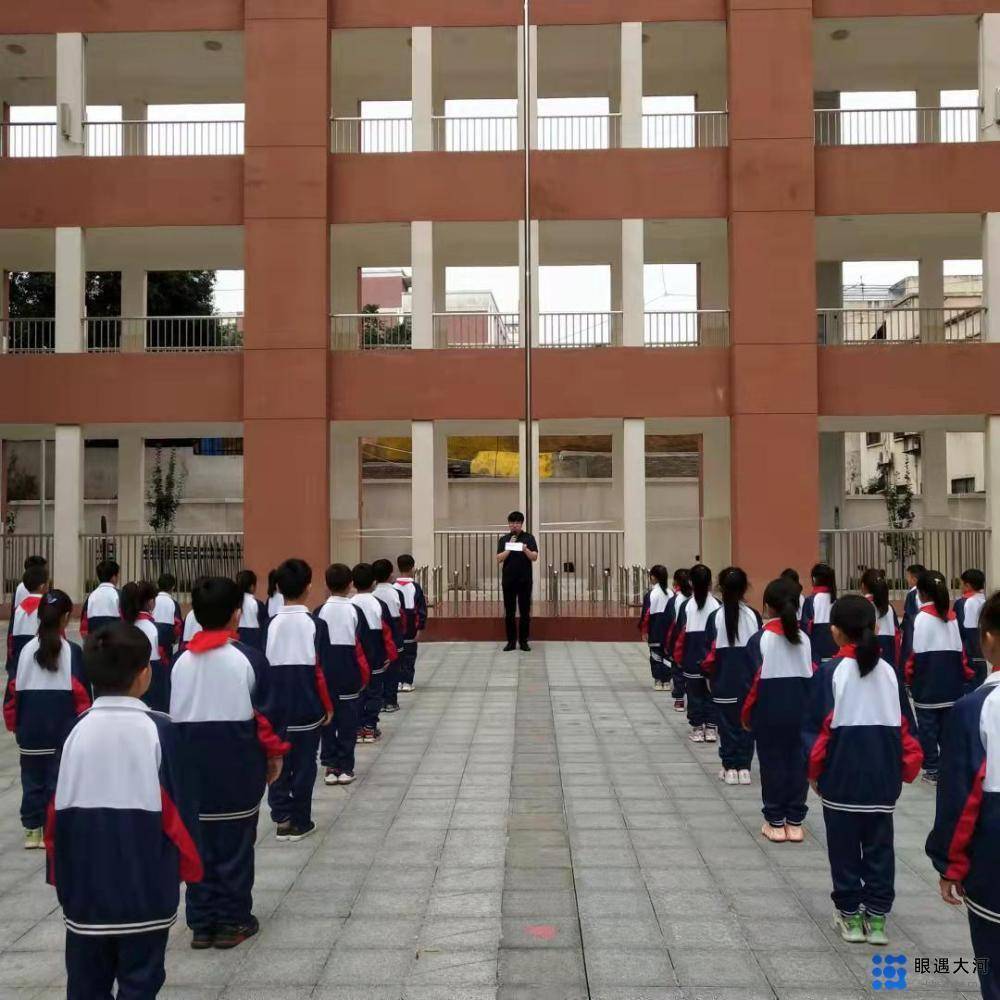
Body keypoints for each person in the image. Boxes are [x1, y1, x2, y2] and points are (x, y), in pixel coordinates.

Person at [46, 621, 202, 999]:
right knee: (141, 979)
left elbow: (53, 816)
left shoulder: (72, 732)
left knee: (84, 983)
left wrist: (61, 878)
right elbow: (183, 812)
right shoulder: (160, 730)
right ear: (144, 673)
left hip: (84, 892)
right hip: (145, 887)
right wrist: (188, 870)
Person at [170, 577, 288, 950]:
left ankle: (202, 922)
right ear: (237, 613)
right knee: (236, 844)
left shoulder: (179, 663)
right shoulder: (249, 659)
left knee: (197, 842)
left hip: (190, 770)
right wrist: (274, 756)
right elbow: (266, 718)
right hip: (237, 765)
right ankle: (233, 920)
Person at [807, 594, 922, 945]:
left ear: (836, 632)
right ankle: (877, 918)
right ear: (874, 628)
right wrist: (905, 768)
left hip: (841, 777)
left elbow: (817, 731)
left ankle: (849, 916)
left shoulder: (830, 672)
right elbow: (905, 727)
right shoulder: (888, 672)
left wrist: (814, 773)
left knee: (843, 850)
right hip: (882, 779)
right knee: (879, 848)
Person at [927, 590, 1000, 1000]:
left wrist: (949, 862)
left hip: (993, 859)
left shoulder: (977, 707)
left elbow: (961, 794)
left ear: (986, 639)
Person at [4, 590, 88, 850]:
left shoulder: (25, 652)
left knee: (32, 781)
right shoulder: (72, 652)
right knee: (59, 782)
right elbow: (82, 695)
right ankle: (55, 828)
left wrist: (14, 724)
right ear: (65, 618)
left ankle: (32, 831)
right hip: (61, 731)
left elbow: (11, 694)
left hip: (30, 731)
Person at [741, 578, 813, 843]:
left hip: (769, 712)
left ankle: (775, 820)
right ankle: (795, 821)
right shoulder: (805, 639)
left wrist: (747, 717)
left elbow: (751, 684)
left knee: (772, 765)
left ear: (767, 607)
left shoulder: (760, 640)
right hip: (802, 712)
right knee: (798, 764)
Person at [265, 559, 332, 841]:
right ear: (308, 587)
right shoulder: (316, 624)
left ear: (278, 587)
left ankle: (281, 817)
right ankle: (301, 820)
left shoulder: (268, 624)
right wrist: (328, 705)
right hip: (307, 705)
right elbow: (321, 670)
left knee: (278, 760)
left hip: (275, 707)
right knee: (305, 764)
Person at [902, 569, 973, 784]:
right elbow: (961, 653)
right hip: (952, 681)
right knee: (947, 728)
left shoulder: (921, 618)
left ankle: (932, 768)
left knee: (928, 728)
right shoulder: (951, 617)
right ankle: (948, 765)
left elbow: (913, 654)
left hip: (928, 680)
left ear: (921, 593)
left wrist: (909, 678)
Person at [703, 567, 761, 784]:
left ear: (720, 587)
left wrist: (709, 677)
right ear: (745, 588)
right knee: (746, 723)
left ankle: (729, 767)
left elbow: (708, 655)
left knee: (726, 725)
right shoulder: (754, 616)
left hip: (723, 680)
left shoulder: (714, 617)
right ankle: (744, 767)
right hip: (748, 682)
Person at [316, 563, 370, 786]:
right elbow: (362, 643)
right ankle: (346, 767)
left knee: (328, 721)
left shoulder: (318, 611)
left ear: (327, 585)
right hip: (349, 672)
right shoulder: (354, 611)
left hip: (326, 672)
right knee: (348, 724)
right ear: (350, 585)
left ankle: (330, 766)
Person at [672, 564, 721, 743]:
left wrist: (677, 658)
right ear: (710, 583)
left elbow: (679, 634)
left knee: (694, 695)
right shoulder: (717, 605)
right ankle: (711, 728)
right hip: (711, 657)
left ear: (691, 582)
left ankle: (697, 728)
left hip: (691, 656)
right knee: (710, 693)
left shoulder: (686, 605)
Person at [351, 562, 398, 744]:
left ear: (353, 583)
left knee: (358, 692)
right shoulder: (378, 604)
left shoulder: (350, 604)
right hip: (376, 652)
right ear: (373, 582)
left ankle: (357, 727)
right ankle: (370, 727)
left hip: (356, 654)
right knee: (375, 692)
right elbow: (388, 631)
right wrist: (390, 655)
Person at [121, 581, 171, 713]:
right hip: (153, 680)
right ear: (150, 602)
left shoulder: (123, 627)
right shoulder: (155, 628)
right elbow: (164, 657)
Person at [496, 511, 538, 652]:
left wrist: (525, 549)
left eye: (517, 523)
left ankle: (524, 641)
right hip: (508, 581)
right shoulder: (504, 539)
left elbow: (534, 557)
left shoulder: (529, 538)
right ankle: (511, 642)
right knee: (509, 612)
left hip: (525, 581)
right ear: (509, 524)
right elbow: (499, 558)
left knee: (525, 612)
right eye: (512, 523)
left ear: (521, 524)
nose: (514, 526)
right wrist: (509, 547)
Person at [372, 559, 404, 714]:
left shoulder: (373, 594)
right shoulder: (395, 592)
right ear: (391, 574)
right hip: (394, 627)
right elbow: (402, 612)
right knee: (393, 667)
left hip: (377, 630)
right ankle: (390, 700)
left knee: (379, 667)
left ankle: (380, 700)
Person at [6, 563, 48, 679]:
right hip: (42, 658)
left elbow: (11, 638)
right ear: (42, 586)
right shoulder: (47, 606)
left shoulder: (18, 609)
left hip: (21, 659)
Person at [394, 554, 427, 693]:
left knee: (397, 655)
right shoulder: (415, 587)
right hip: (411, 626)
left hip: (396, 627)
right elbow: (421, 609)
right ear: (413, 567)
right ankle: (407, 681)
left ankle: (398, 681)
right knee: (410, 655)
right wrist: (420, 627)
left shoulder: (393, 587)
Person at [860, 568, 901, 674]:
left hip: (866, 658)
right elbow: (897, 635)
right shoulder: (889, 608)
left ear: (863, 586)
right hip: (888, 654)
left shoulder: (861, 605)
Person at [663, 568, 692, 712]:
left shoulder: (675, 600)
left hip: (679, 638)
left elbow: (670, 622)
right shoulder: (696, 599)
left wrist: (668, 643)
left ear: (675, 582)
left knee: (678, 669)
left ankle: (679, 699)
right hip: (693, 639)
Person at [639, 565, 672, 691]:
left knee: (655, 654)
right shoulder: (671, 593)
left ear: (653, 577)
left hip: (655, 629)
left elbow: (646, 614)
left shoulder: (651, 594)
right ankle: (667, 681)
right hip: (668, 630)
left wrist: (644, 630)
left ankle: (658, 680)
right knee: (667, 655)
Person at [954, 568, 987, 688]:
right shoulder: (986, 601)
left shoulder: (963, 603)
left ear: (967, 585)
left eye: (961, 584)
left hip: (968, 654)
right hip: (983, 652)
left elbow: (960, 630)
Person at [801, 563, 839, 666]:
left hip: (816, 658)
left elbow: (805, 630)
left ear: (814, 579)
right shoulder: (837, 602)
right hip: (837, 655)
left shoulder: (810, 601)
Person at [79, 560, 121, 638]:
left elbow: (84, 627)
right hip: (115, 642)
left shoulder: (91, 596)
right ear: (113, 577)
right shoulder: (119, 595)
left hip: (95, 642)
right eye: (118, 575)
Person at [235, 569, 268, 652]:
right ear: (252, 587)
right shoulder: (257, 604)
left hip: (236, 639)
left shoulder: (233, 603)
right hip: (254, 640)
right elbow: (265, 624)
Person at [153, 573, 183, 661]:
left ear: (158, 585)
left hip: (150, 642)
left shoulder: (151, 601)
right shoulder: (174, 604)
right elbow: (178, 627)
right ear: (173, 587)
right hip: (166, 646)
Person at [178, 577, 208, 656]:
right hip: (203, 651)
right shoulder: (211, 612)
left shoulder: (190, 613)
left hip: (188, 651)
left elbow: (182, 636)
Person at [900, 563, 926, 635]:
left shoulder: (912, 594)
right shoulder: (927, 592)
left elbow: (909, 615)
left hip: (914, 630)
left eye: (908, 576)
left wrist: (902, 627)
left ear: (914, 580)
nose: (906, 579)